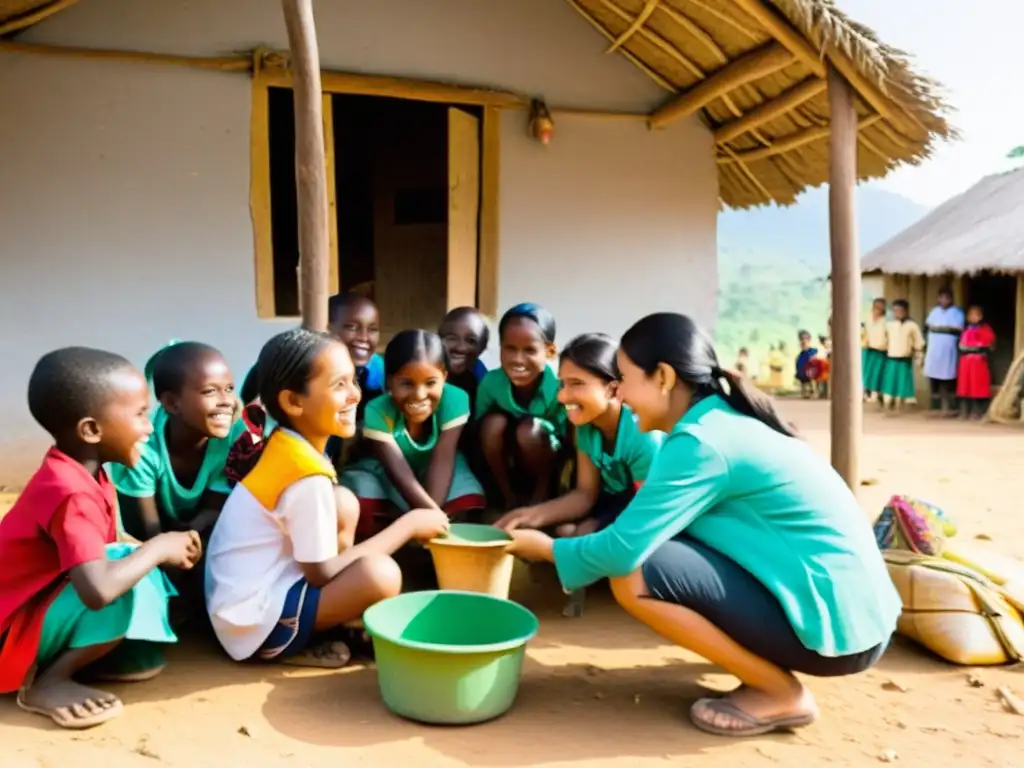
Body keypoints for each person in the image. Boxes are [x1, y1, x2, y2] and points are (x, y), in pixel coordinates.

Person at [507, 313, 899, 738]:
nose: (619, 391)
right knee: (659, 550)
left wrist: (545, 550)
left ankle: (779, 692)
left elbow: (622, 549)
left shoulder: (699, 443)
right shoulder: (716, 421)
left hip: (837, 626)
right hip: (853, 613)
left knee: (634, 573)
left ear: (663, 377)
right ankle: (759, 668)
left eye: (623, 377)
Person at [205, 329, 450, 668]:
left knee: (343, 501)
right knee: (380, 575)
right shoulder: (305, 476)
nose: (354, 395)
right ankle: (303, 638)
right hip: (254, 626)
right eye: (338, 385)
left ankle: (330, 619)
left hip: (242, 603)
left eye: (353, 381)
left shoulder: (289, 444)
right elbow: (321, 573)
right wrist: (407, 526)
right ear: (294, 401)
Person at [0, 348, 200, 729]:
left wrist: (156, 551)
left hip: (33, 610)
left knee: (133, 560)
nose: (149, 427)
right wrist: (158, 548)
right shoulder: (70, 491)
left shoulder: (86, 472)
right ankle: (47, 682)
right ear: (91, 430)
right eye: (140, 414)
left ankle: (81, 659)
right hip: (7, 633)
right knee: (124, 573)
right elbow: (97, 590)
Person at [494, 333, 663, 537]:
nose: (562, 396)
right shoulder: (585, 424)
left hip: (646, 507)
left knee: (578, 534)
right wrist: (526, 516)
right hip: (611, 501)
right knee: (564, 532)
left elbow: (650, 513)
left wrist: (595, 528)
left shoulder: (642, 436)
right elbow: (585, 494)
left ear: (613, 389)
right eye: (562, 384)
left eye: (576, 383)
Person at [340, 330, 486, 535]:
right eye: (407, 383)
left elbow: (444, 457)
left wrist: (433, 517)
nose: (419, 395)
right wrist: (434, 517)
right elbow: (400, 474)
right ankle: (400, 540)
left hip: (437, 467)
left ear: (444, 377)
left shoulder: (455, 399)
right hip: (390, 475)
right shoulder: (377, 410)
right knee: (362, 493)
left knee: (468, 499)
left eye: (430, 383)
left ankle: (418, 534)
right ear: (390, 381)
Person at [111, 341, 243, 543]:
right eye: (210, 391)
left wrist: (193, 531)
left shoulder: (233, 436)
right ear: (172, 403)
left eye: (229, 388)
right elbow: (148, 535)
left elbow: (213, 509)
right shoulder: (142, 448)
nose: (226, 401)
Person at [476, 303, 567, 509]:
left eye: (529, 350)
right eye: (510, 348)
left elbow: (568, 436)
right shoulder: (491, 384)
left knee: (529, 430)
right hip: (508, 462)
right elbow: (478, 434)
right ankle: (507, 497)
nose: (518, 359)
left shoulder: (560, 385)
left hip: (552, 461)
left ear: (550, 351)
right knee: (492, 424)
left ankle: (541, 497)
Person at [439, 306, 490, 411]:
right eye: (451, 338)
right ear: (437, 339)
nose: (460, 347)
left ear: (482, 347)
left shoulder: (482, 378)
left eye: (471, 341)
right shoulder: (425, 367)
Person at [924, 288, 965, 417]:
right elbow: (929, 326)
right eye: (941, 297)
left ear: (951, 299)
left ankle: (947, 407)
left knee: (947, 377)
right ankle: (935, 406)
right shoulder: (934, 311)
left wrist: (942, 328)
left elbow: (958, 328)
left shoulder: (957, 312)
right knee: (933, 376)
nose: (944, 300)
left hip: (948, 347)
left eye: (947, 298)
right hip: (934, 347)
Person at [881, 300, 925, 414]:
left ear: (906, 311)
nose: (898, 313)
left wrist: (918, 355)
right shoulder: (889, 325)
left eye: (900, 310)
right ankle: (887, 406)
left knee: (902, 383)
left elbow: (918, 342)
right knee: (889, 383)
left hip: (904, 358)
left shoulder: (912, 325)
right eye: (895, 310)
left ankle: (899, 406)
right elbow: (884, 340)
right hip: (891, 357)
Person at [957, 305, 996, 420]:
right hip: (966, 362)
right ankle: (964, 411)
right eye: (971, 315)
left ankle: (977, 411)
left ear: (981, 316)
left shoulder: (985, 329)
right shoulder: (965, 329)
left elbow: (989, 344)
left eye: (976, 314)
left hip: (978, 362)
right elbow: (961, 344)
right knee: (965, 386)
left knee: (977, 386)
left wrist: (978, 348)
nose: (973, 317)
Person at [863, 298, 888, 403]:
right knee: (867, 372)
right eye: (876, 306)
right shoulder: (868, 319)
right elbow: (865, 333)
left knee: (878, 373)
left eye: (880, 307)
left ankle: (878, 393)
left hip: (881, 350)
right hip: (869, 348)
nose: (877, 309)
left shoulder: (886, 321)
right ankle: (866, 392)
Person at [794, 331, 818, 399]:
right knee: (804, 382)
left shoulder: (812, 351)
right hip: (802, 371)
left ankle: (813, 392)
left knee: (811, 381)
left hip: (809, 370)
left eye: (805, 339)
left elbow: (813, 359)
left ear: (809, 340)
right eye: (801, 339)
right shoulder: (801, 354)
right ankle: (805, 393)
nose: (803, 341)